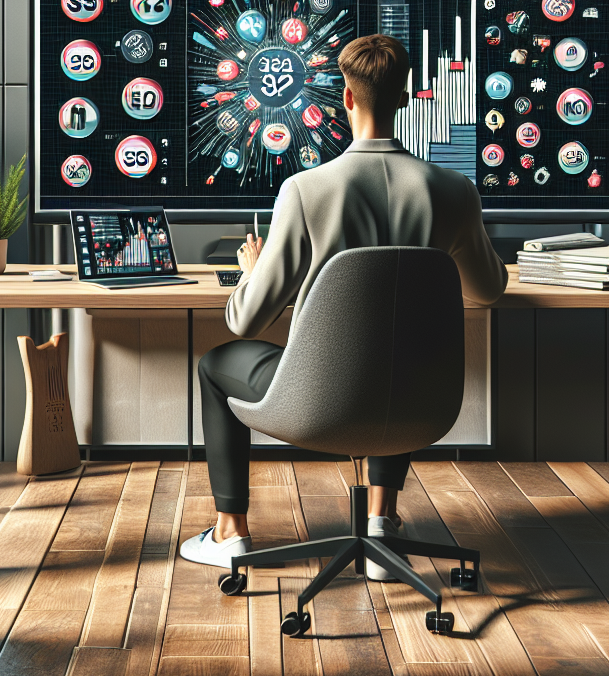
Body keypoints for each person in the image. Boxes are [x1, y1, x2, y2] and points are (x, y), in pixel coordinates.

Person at [180, 34, 508, 575]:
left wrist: (253, 269)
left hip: (318, 401)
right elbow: (489, 290)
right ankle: (382, 521)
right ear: (406, 98)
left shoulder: (306, 190)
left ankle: (230, 532)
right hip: (419, 401)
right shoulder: (455, 191)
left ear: (348, 99)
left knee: (216, 365)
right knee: (393, 348)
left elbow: (243, 320)